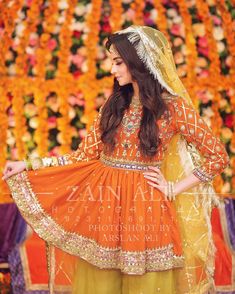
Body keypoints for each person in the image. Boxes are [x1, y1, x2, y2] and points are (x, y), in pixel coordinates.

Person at [3, 25, 229, 294]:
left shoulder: (174, 108)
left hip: (147, 209)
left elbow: (218, 156)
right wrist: (28, 164)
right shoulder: (114, 105)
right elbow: (82, 156)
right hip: (104, 206)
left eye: (119, 62)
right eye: (112, 63)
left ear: (140, 61)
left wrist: (174, 187)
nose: (113, 70)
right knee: (102, 284)